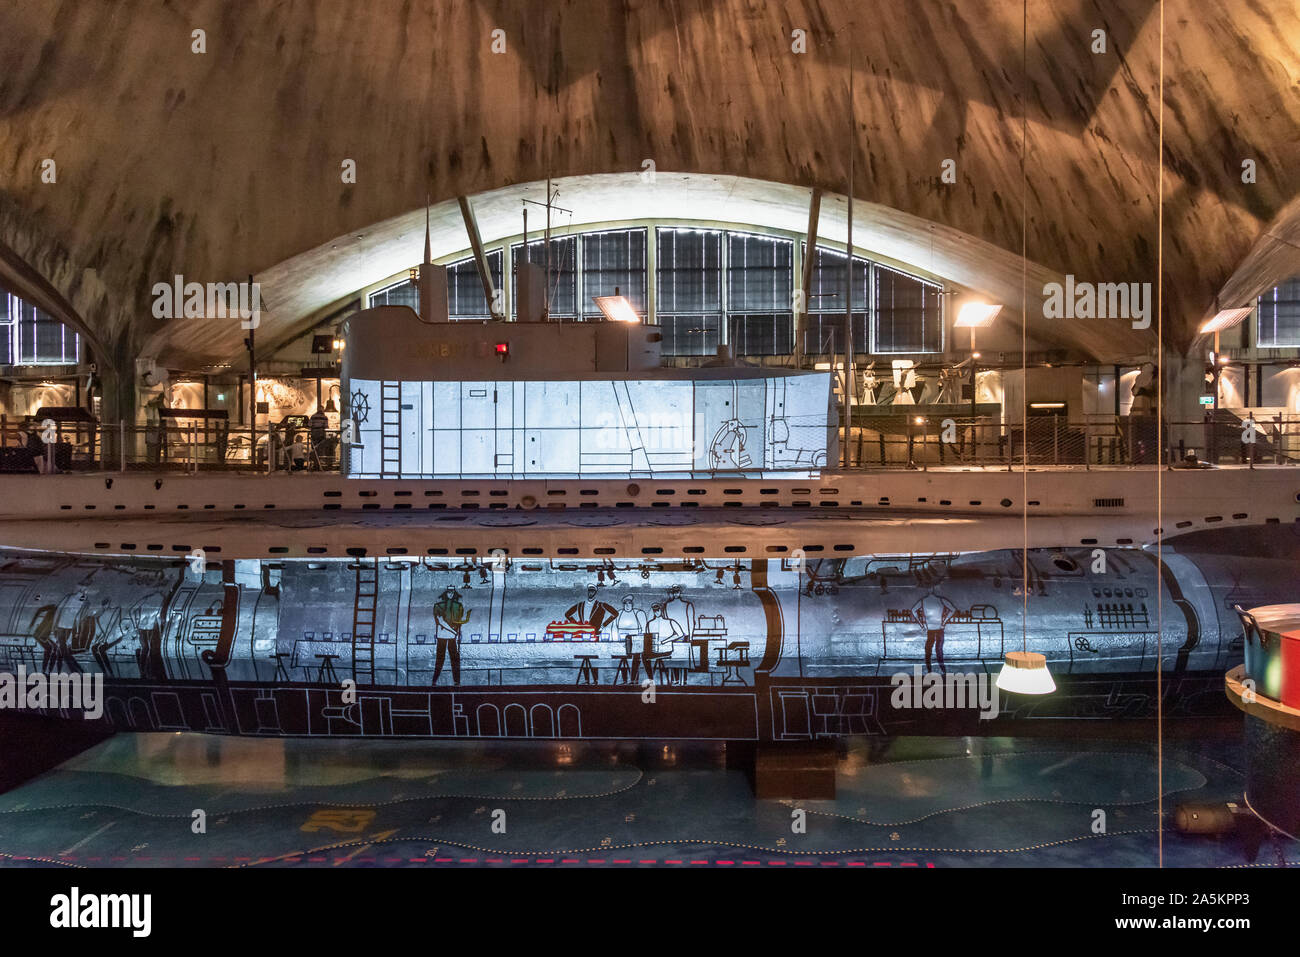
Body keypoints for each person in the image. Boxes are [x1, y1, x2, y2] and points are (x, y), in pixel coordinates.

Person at [912, 585, 957, 675]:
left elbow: (913, 610)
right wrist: (944, 622)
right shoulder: (940, 600)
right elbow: (953, 609)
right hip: (939, 628)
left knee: (928, 650)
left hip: (931, 629)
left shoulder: (923, 601)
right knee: (938, 650)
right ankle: (942, 669)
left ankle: (930, 670)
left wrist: (922, 625)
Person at [432, 586, 470, 685]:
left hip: (452, 636)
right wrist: (454, 632)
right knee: (440, 658)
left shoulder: (458, 606)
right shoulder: (438, 606)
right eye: (449, 592)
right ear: (445, 593)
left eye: (452, 593)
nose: (450, 594)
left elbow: (459, 622)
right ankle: (435, 680)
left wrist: (457, 632)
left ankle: (456, 681)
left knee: (454, 659)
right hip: (443, 635)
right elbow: (440, 621)